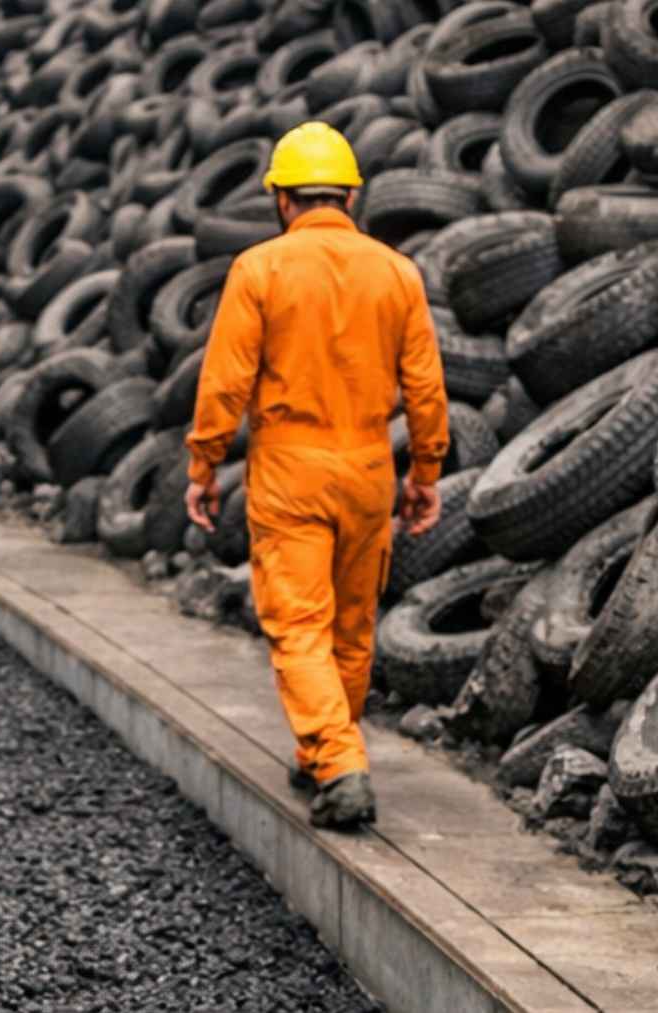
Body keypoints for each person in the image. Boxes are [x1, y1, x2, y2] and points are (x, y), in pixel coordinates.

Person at [184, 121, 450, 830]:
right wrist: (425, 469)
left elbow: (224, 383)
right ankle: (326, 744)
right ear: (352, 195)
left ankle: (336, 761)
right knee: (352, 627)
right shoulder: (397, 271)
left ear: (280, 198)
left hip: (290, 469)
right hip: (368, 468)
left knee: (298, 623)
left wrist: (204, 463)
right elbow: (425, 386)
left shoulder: (260, 269)